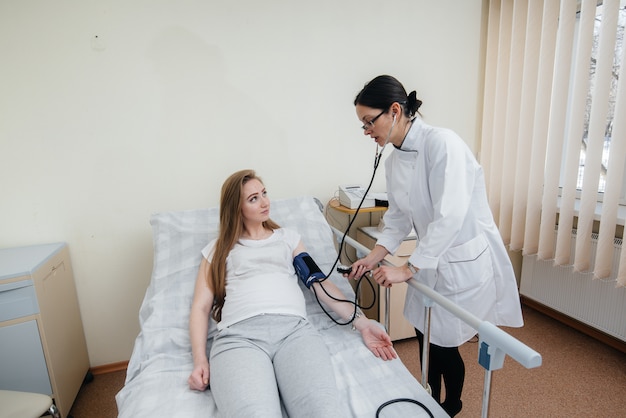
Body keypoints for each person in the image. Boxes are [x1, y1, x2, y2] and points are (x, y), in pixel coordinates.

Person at [347, 75, 524, 417]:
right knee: (424, 337)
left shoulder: (443, 143)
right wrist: (374, 257)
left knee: (444, 346)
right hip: (430, 259)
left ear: (395, 111)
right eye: (363, 125)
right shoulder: (395, 160)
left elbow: (451, 215)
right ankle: (429, 400)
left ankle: (451, 406)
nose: (367, 131)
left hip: (459, 261)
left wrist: (407, 268)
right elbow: (398, 217)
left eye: (370, 121)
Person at [187, 169, 396, 417]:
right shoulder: (217, 250)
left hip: (294, 334)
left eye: (264, 193)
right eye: (253, 198)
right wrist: (200, 360)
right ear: (236, 208)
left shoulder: (288, 239)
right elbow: (201, 308)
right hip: (239, 339)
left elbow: (319, 284)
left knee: (323, 411)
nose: (265, 202)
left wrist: (362, 323)